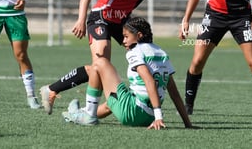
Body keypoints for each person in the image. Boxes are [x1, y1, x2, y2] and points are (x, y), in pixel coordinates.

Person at [40, 0, 198, 114]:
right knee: (101, 63)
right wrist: (80, 19)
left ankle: (60, 93)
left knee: (143, 52)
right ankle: (81, 106)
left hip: (122, 22)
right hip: (101, 17)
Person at [62, 17, 193, 129]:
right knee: (112, 103)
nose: (123, 41)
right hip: (149, 117)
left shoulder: (136, 51)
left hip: (134, 112)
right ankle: (80, 113)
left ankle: (89, 115)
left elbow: (149, 81)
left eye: (126, 36)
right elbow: (174, 93)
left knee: (100, 63)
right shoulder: (162, 53)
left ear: (139, 35)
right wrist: (187, 123)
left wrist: (159, 118)